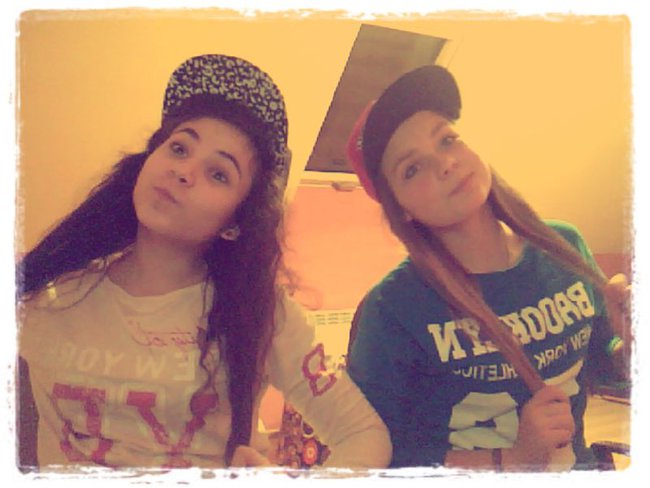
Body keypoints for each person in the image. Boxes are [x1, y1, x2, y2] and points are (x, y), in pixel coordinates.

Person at [16, 53, 391, 471]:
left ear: (234, 223)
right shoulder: (48, 292)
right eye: (179, 148)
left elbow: (363, 434)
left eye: (218, 174)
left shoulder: (262, 314)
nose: (184, 172)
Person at [344, 65, 631, 471]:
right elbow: (373, 458)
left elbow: (606, 367)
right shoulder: (392, 309)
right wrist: (509, 460)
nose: (445, 163)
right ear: (400, 209)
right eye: (412, 168)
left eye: (447, 139)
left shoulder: (564, 245)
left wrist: (630, 342)